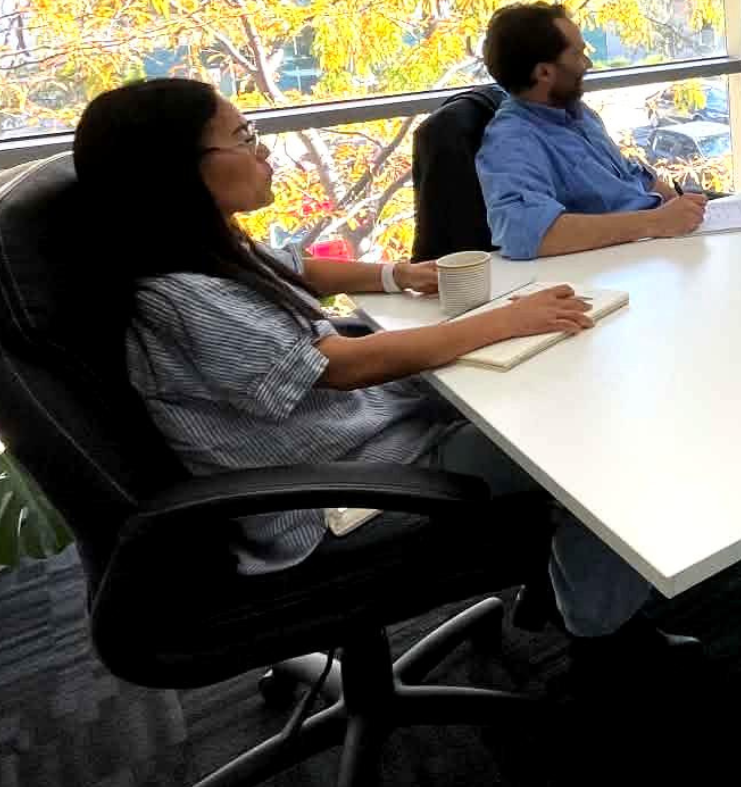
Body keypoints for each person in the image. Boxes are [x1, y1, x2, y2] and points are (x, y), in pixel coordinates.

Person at [77, 76, 693, 675]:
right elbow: (344, 366)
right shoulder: (183, 297)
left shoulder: (191, 250)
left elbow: (295, 268)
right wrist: (505, 320)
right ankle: (603, 640)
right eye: (243, 137)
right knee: (607, 445)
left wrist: (398, 275)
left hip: (361, 438)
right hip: (344, 491)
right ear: (178, 170)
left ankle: (570, 577)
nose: (263, 150)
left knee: (558, 388)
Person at [476, 2, 707, 258]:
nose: (588, 64)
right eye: (577, 54)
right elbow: (522, 233)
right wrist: (655, 221)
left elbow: (635, 177)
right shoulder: (512, 140)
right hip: (621, 263)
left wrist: (685, 207)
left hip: (658, 246)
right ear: (544, 72)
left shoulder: (578, 112)